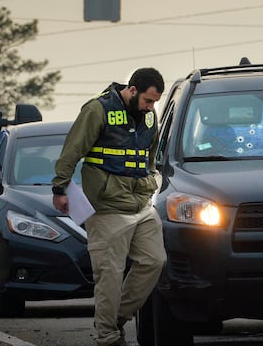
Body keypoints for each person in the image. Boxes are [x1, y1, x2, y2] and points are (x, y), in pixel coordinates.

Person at [52, 67, 167, 346]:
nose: (151, 107)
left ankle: (115, 317)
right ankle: (107, 336)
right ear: (132, 90)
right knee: (109, 275)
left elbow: (150, 155)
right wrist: (60, 187)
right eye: (148, 100)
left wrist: (152, 179)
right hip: (107, 206)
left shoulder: (149, 116)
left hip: (141, 204)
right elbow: (73, 149)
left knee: (154, 261)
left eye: (155, 102)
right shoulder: (98, 109)